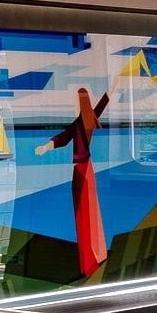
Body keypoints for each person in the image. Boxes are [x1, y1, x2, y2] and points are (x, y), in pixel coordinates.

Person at [34, 88, 110, 278]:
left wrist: (46, 147)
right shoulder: (85, 120)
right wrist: (46, 147)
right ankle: (94, 257)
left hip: (82, 170)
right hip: (85, 169)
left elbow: (64, 137)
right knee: (87, 213)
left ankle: (90, 260)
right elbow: (64, 137)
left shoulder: (82, 122)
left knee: (84, 214)